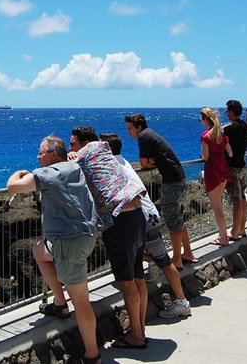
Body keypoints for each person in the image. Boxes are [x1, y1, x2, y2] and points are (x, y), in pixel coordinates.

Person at [6, 136, 101, 364]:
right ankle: (60, 303)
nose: (38, 156)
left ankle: (92, 356)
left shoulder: (47, 174)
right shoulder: (74, 166)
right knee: (39, 250)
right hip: (86, 236)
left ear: (53, 155)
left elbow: (12, 187)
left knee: (82, 302)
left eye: (41, 152)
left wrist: (19, 173)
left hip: (69, 243)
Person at [68, 127, 148, 349]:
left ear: (83, 143)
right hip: (137, 215)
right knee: (137, 276)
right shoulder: (103, 150)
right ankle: (139, 329)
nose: (70, 148)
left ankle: (137, 337)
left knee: (127, 281)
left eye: (73, 144)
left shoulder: (86, 152)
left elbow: (64, 170)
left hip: (120, 221)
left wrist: (73, 157)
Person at [99, 133, 192, 320]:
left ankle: (144, 313)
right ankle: (182, 301)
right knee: (163, 259)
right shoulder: (123, 162)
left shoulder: (111, 167)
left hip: (138, 218)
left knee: (136, 260)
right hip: (150, 214)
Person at [124, 113, 197, 270]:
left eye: (130, 128)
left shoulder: (143, 136)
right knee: (177, 218)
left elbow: (143, 162)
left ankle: (177, 259)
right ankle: (188, 253)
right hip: (178, 177)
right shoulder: (150, 134)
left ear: (138, 127)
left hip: (171, 181)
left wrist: (150, 163)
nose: (128, 132)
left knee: (172, 221)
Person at [200, 107, 235, 246]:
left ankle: (223, 238)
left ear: (205, 120)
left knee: (217, 208)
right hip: (223, 171)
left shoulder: (206, 136)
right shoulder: (220, 134)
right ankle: (223, 236)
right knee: (219, 205)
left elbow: (205, 156)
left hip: (212, 172)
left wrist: (203, 155)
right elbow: (230, 153)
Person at [223, 100, 247, 240]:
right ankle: (242, 229)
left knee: (236, 200)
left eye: (227, 110)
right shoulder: (246, 126)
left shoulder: (228, 128)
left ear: (232, 111)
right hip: (242, 165)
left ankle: (234, 232)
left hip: (232, 167)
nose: (225, 113)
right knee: (243, 197)